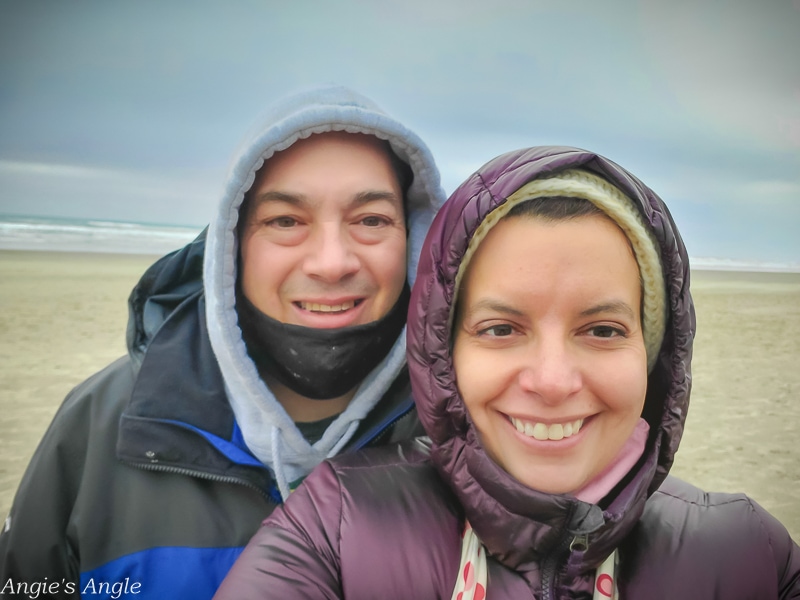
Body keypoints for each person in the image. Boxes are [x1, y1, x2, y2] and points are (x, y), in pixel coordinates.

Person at [214, 145, 800, 599]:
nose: (552, 380)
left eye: (602, 330)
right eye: (501, 329)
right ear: (444, 353)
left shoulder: (745, 552)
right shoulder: (339, 525)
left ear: (651, 354)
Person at [0, 86, 446, 598]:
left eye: (371, 220)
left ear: (414, 240)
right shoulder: (101, 421)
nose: (332, 262)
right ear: (232, 246)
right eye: (285, 221)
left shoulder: (462, 431)